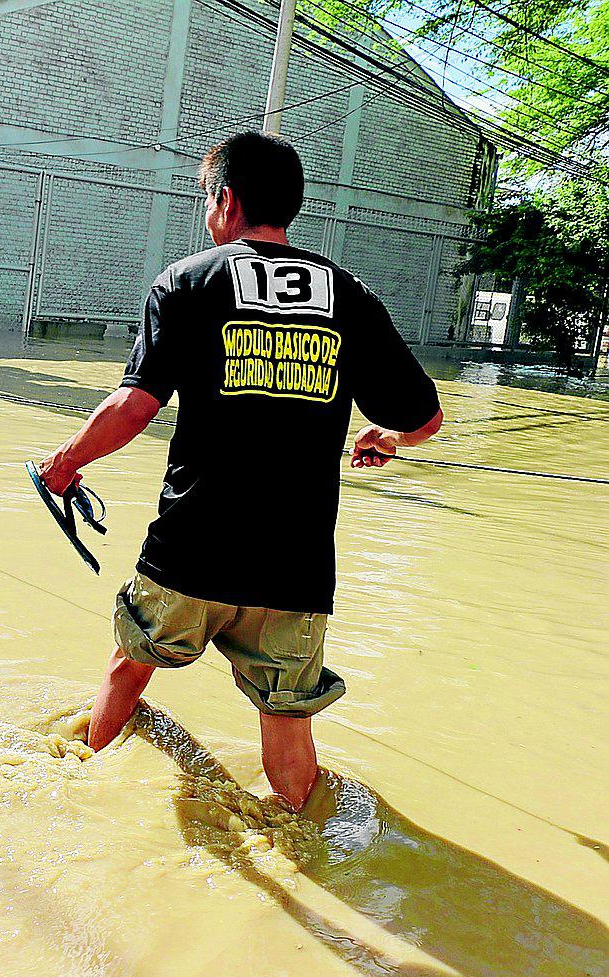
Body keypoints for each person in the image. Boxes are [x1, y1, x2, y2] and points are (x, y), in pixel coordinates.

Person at [38, 131, 444, 810]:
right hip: (297, 567)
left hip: (191, 550)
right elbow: (425, 417)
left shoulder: (188, 280)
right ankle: (303, 838)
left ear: (225, 199)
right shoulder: (348, 294)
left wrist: (67, 462)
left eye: (206, 195)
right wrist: (388, 437)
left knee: (131, 662)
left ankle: (79, 776)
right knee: (288, 724)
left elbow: (135, 405)